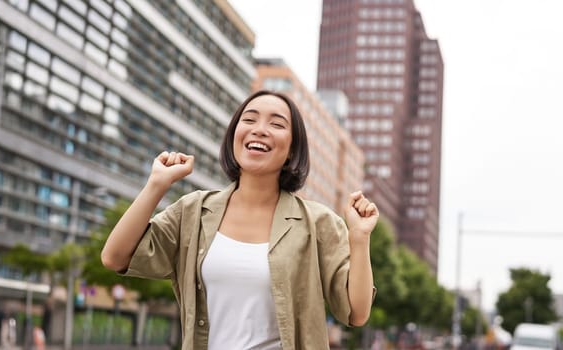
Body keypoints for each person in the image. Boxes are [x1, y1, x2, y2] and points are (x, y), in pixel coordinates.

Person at [101, 90, 378, 350]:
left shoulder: (318, 223)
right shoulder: (194, 211)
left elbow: (356, 312)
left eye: (277, 124)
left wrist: (359, 238)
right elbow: (116, 257)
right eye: (249, 119)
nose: (259, 129)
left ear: (293, 150)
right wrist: (156, 185)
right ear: (235, 136)